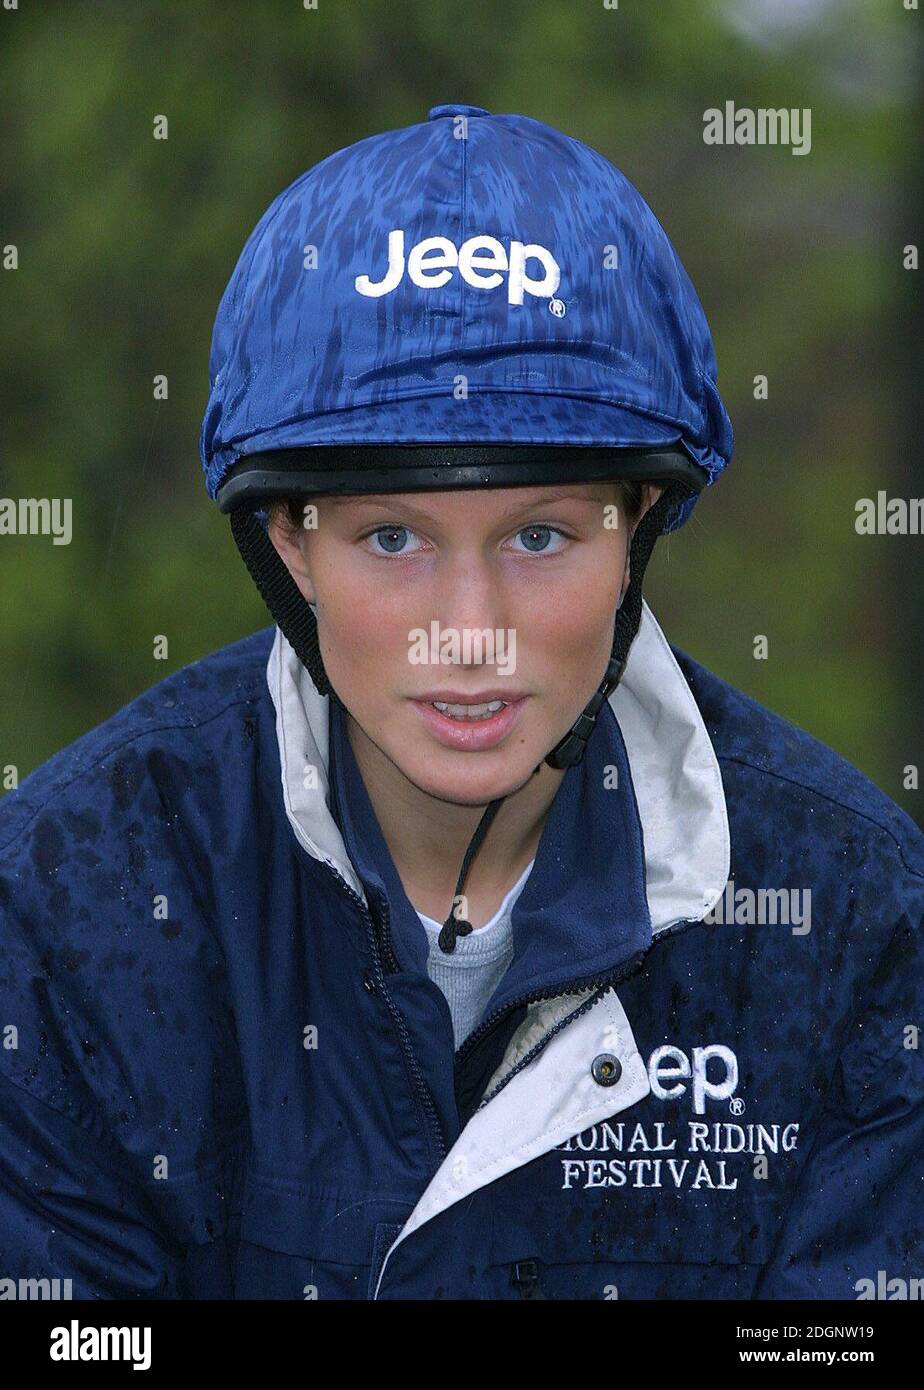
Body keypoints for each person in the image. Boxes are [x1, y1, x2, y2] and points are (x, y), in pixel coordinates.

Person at [1, 105, 921, 1302]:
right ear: (287, 543)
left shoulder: (858, 918)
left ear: (638, 523)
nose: (469, 628)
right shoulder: (72, 890)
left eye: (540, 534)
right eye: (392, 537)